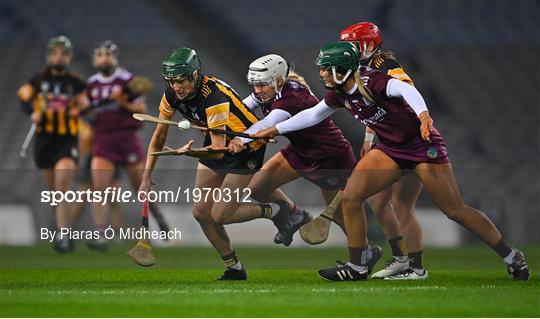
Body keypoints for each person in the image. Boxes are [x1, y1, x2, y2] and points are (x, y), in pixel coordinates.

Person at [251, 41, 530, 281]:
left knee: (454, 210)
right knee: (351, 197)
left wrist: (423, 115)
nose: (321, 73)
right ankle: (357, 265)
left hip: (422, 147)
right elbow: (313, 115)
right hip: (392, 150)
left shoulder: (373, 81)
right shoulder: (338, 92)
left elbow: (406, 90)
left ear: (341, 69)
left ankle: (511, 256)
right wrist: (275, 129)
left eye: (325, 68)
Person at [230, 54, 416, 272]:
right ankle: (296, 214)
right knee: (258, 189)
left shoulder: (292, 97)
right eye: (254, 85)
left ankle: (364, 253)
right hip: (299, 151)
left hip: (328, 156)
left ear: (278, 81)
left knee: (340, 214)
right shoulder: (266, 92)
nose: (257, 90)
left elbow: (267, 123)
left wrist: (239, 139)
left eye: (261, 85)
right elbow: (240, 109)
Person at [140, 47, 295, 280]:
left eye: (180, 80)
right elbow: (159, 137)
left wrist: (188, 153)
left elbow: (217, 150)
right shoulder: (171, 95)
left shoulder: (213, 97)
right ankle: (234, 267)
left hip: (246, 145)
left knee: (221, 214)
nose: (176, 87)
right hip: (216, 141)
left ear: (193, 75)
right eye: (171, 81)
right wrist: (145, 177)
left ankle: (277, 211)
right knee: (201, 213)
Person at [339, 22, 426, 279]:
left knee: (405, 205)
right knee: (378, 203)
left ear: (369, 45)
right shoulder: (360, 69)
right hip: (387, 142)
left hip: (408, 142)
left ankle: (415, 264)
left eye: (353, 45)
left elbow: (404, 94)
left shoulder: (385, 67)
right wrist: (369, 136)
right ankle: (400, 257)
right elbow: (376, 109)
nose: (349, 50)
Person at [85, 41, 169, 251]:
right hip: (103, 140)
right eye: (100, 55)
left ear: (115, 58)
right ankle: (101, 234)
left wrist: (121, 101)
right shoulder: (90, 85)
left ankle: (159, 219)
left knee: (141, 187)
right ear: (95, 59)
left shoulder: (128, 81)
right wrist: (89, 111)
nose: (104, 58)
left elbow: (141, 111)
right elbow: (84, 111)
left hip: (126, 140)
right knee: (99, 189)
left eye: (108, 54)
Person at [17, 36, 88, 252]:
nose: (59, 57)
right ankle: (61, 229)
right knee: (55, 194)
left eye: (63, 54)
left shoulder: (76, 82)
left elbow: (87, 103)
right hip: (44, 142)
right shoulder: (37, 80)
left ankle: (65, 235)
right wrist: (33, 113)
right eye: (55, 53)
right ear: (49, 56)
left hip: (67, 141)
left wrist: (79, 110)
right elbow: (24, 98)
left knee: (62, 186)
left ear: (69, 57)